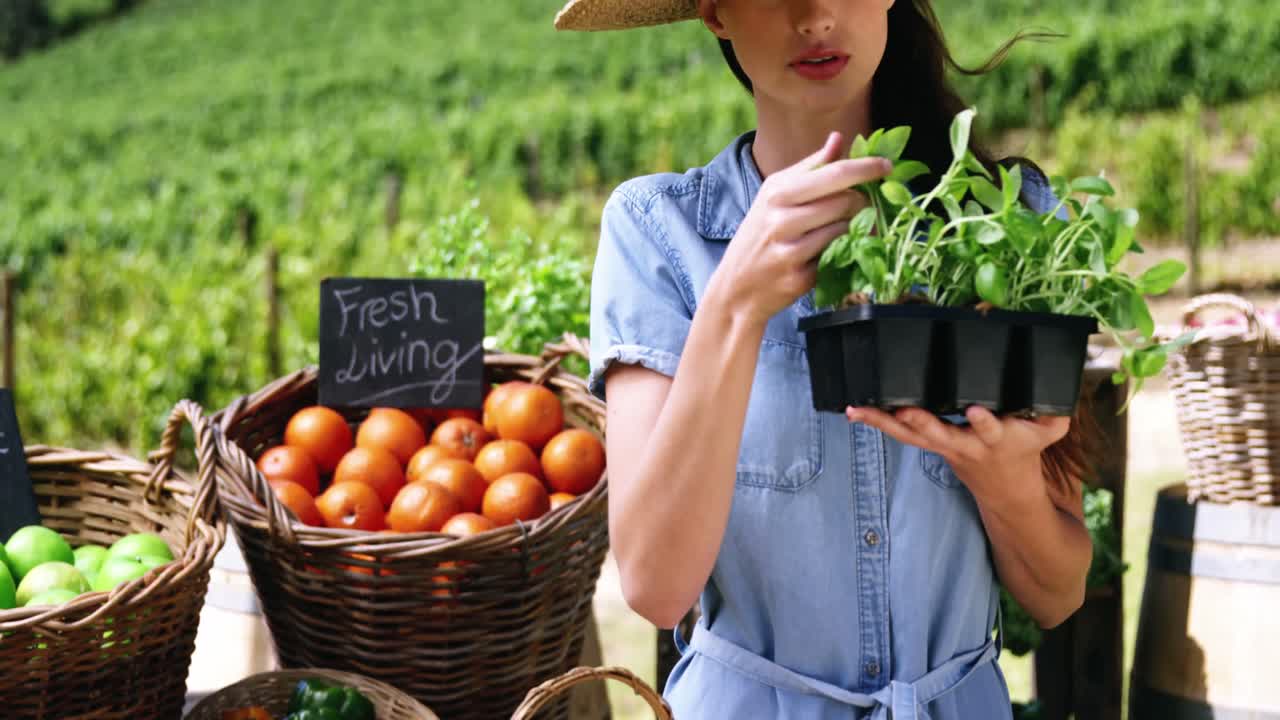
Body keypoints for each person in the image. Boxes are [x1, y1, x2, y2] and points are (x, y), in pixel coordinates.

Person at [555, 1, 1094, 717]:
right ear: (715, 12)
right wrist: (735, 306)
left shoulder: (1007, 224)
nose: (813, 16)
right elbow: (655, 586)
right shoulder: (660, 232)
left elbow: (1058, 593)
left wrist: (1003, 482)